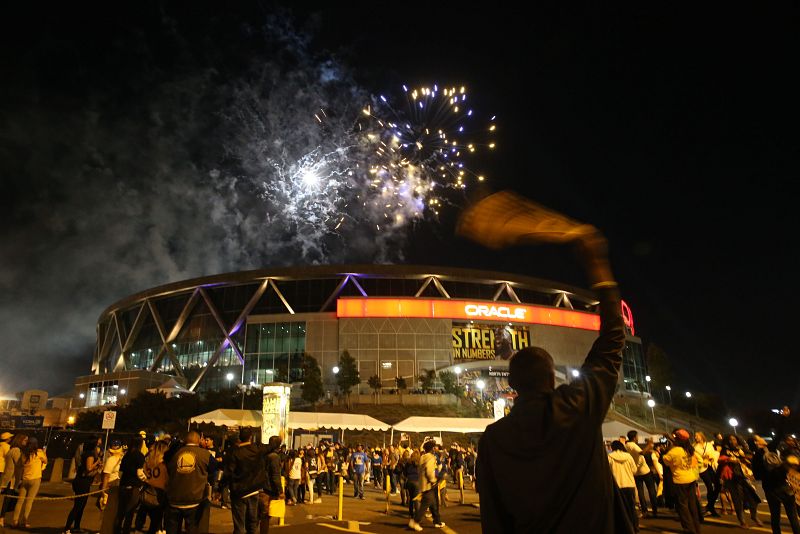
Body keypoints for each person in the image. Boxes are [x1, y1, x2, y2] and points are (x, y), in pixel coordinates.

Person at [466, 192, 628, 533]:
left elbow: (493, 517)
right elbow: (613, 339)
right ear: (552, 378)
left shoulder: (494, 439)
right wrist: (598, 267)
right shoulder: (577, 406)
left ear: (511, 385)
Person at [752, 433, 800, 534]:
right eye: (759, 439)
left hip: (770, 489)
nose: (763, 439)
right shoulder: (772, 451)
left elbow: (757, 476)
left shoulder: (755, 458)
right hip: (783, 487)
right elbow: (778, 436)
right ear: (757, 443)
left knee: (775, 516)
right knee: (792, 516)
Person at [165, 431, 212, 534]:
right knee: (192, 529)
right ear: (198, 440)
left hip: (174, 498)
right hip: (194, 499)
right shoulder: (205, 454)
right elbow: (215, 468)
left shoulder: (175, 453)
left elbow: (167, 467)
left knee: (172, 529)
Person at [225, 428, 267, 534]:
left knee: (239, 524)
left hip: (239, 491)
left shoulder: (235, 452)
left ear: (240, 438)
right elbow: (271, 446)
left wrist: (221, 487)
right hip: (254, 489)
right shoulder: (257, 450)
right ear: (250, 437)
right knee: (252, 522)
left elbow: (229, 472)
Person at [662, 429, 702, 534]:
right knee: (692, 505)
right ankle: (697, 528)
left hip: (680, 480)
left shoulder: (674, 451)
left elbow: (665, 461)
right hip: (691, 478)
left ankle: (689, 530)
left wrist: (667, 448)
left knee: (683, 506)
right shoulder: (689, 449)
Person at [718, 434, 763, 527]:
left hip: (745, 477)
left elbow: (751, 456)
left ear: (737, 440)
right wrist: (729, 459)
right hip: (732, 478)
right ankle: (742, 521)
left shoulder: (742, 449)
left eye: (734, 439)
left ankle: (754, 516)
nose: (732, 441)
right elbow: (720, 461)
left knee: (753, 498)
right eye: (730, 439)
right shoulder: (725, 450)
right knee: (738, 500)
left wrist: (745, 457)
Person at [64, 437, 102, 534]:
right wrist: (97, 463)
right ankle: (66, 529)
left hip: (83, 482)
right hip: (82, 483)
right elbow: (88, 468)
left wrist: (97, 469)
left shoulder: (87, 453)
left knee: (81, 506)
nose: (98, 446)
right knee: (78, 506)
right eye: (97, 444)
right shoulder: (90, 455)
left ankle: (76, 527)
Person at [11, 436, 47, 529]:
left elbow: (21, 464)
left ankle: (15, 521)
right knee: (29, 501)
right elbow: (45, 461)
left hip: (25, 479)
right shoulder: (39, 453)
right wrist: (44, 453)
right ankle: (24, 521)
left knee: (20, 501)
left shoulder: (24, 454)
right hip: (35, 480)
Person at [408, 440, 444, 531]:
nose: (435, 449)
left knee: (433, 503)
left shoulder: (422, 457)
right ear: (432, 448)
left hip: (422, 484)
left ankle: (437, 521)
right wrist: (434, 480)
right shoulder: (431, 458)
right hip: (429, 485)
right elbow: (429, 471)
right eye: (434, 447)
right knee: (426, 504)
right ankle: (415, 521)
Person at [115, 436, 146, 534]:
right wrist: (145, 479)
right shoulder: (140, 456)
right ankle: (126, 531)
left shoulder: (126, 455)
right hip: (133, 487)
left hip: (123, 484)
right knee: (129, 512)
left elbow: (121, 471)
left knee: (120, 511)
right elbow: (139, 473)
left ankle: (116, 530)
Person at [139, 440, 170, 534]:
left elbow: (144, 473)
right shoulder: (164, 464)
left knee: (153, 520)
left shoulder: (148, 461)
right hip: (160, 493)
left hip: (148, 491)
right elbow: (167, 479)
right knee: (156, 521)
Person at [626, 430, 658, 518]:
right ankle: (655, 510)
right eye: (637, 436)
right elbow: (642, 452)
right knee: (651, 490)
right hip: (644, 470)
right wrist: (649, 445)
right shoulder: (633, 445)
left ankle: (644, 511)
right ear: (634, 437)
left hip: (636, 472)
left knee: (640, 492)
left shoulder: (626, 445)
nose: (638, 438)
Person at [608, 440, 638, 532]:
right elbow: (634, 470)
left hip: (618, 486)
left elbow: (608, 472)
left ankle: (623, 528)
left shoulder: (609, 457)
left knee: (620, 509)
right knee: (631, 507)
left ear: (612, 447)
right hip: (630, 484)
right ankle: (635, 527)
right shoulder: (628, 456)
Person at [0, 433, 27, 527]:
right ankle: (1, 518)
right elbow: (20, 464)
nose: (26, 442)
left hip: (7, 477)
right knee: (7, 500)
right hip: (11, 479)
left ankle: (2, 518)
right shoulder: (16, 450)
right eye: (25, 440)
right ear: (20, 440)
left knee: (7, 499)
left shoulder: (11, 449)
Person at [259, 436, 284, 534]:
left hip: (259, 487)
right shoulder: (274, 457)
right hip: (268, 490)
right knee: (265, 515)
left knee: (258, 515)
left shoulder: (263, 454)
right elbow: (275, 475)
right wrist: (280, 491)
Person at [693, 431, 720, 517]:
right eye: (695, 436)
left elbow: (713, 453)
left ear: (702, 436)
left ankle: (710, 505)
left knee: (718, 485)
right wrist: (703, 459)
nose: (695, 437)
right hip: (702, 468)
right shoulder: (694, 447)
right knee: (709, 487)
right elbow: (695, 457)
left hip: (711, 466)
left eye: (697, 436)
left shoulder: (708, 444)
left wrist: (710, 457)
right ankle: (711, 508)